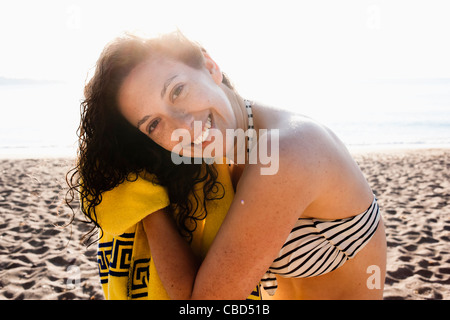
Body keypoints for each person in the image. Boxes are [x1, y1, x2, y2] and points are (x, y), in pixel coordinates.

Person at [66, 31, 386, 300]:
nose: (184, 128)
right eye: (153, 124)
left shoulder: (288, 151)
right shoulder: (216, 160)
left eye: (177, 91)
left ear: (209, 66)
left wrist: (147, 207)